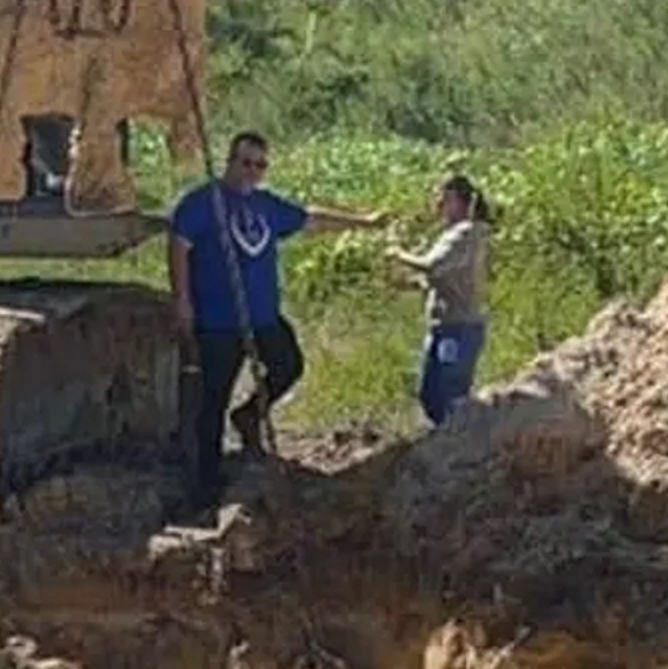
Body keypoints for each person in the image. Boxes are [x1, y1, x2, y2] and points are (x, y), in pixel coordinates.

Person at [169, 131, 386, 506]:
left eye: (260, 165)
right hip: (220, 320)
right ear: (230, 161)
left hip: (263, 314)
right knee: (213, 396)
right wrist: (183, 300)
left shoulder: (267, 205)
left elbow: (311, 219)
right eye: (246, 162)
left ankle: (250, 415)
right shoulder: (203, 203)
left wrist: (363, 222)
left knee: (288, 364)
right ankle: (207, 478)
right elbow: (178, 246)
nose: (252, 171)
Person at [389, 171, 492, 425]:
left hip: (459, 327)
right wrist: (411, 285)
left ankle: (463, 446)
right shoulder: (453, 234)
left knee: (447, 396)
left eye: (442, 197)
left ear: (457, 199)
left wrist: (399, 253)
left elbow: (432, 265)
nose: (436, 203)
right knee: (431, 395)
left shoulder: (466, 233)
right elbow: (444, 277)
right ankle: (452, 444)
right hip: (444, 326)